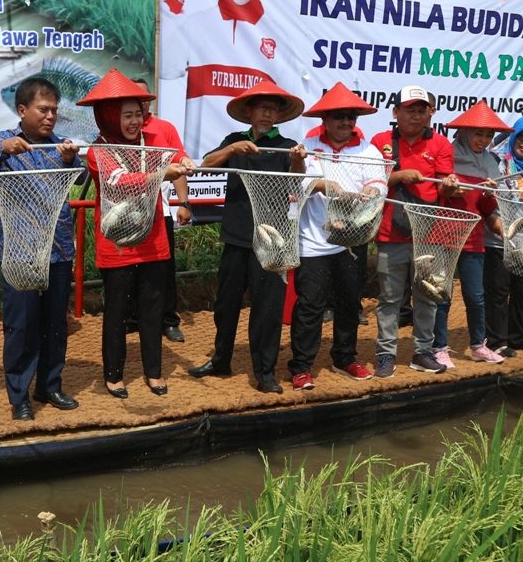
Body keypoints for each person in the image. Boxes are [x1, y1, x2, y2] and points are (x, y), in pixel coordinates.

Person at [0, 77, 82, 421]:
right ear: (22, 110)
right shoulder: (1, 142)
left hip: (58, 250)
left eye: (54, 111)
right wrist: (1, 151)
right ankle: (20, 396)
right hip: (19, 253)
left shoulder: (61, 145)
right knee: (21, 326)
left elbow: (81, 178)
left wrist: (73, 160)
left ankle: (50, 385)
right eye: (43, 110)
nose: (50, 117)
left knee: (55, 324)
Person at [77, 69, 193, 398]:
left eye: (137, 115)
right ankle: (114, 375)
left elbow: (176, 154)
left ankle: (153, 372)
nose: (133, 122)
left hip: (153, 236)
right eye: (125, 115)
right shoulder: (98, 151)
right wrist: (161, 174)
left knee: (153, 306)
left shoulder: (153, 141)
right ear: (109, 116)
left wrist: (183, 161)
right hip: (117, 242)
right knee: (116, 308)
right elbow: (119, 182)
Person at [188, 80, 307, 394]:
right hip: (236, 236)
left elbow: (298, 181)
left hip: (272, 242)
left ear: (279, 115)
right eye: (261, 107)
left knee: (267, 309)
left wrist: (298, 161)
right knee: (225, 305)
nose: (267, 113)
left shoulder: (287, 146)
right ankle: (221, 359)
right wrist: (231, 150)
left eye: (273, 109)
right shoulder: (233, 141)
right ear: (250, 112)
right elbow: (204, 167)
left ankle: (264, 372)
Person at [159, 0, 311, 157]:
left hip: (257, 170)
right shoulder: (197, 23)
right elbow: (166, 68)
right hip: (204, 168)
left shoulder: (279, 37)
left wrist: (281, 162)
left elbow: (292, 117)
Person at [287, 82, 381, 390]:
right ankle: (301, 367)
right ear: (325, 119)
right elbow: (295, 185)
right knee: (310, 305)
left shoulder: (368, 150)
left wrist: (372, 190)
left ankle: (345, 358)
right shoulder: (309, 144)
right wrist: (320, 184)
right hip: (313, 242)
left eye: (351, 116)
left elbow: (380, 185)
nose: (345, 122)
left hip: (352, 242)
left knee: (349, 303)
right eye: (339, 116)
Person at [369, 85, 455, 378]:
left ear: (429, 113)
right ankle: (385, 354)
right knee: (390, 298)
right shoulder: (380, 141)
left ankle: (422, 352)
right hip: (389, 236)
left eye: (421, 110)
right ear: (396, 112)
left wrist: (450, 185)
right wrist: (398, 176)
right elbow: (369, 183)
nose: (416, 116)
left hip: (430, 237)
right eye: (409, 110)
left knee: (427, 297)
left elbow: (446, 187)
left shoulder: (441, 144)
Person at [433, 101, 508, 367]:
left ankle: (478, 345)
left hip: (474, 238)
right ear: (464, 132)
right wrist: (450, 189)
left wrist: (489, 196)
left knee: (476, 296)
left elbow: (487, 208)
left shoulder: (490, 163)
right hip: (444, 235)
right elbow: (436, 196)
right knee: (442, 295)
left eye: (488, 135)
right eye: (478, 133)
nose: (483, 140)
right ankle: (439, 347)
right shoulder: (448, 155)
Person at [127, 77, 193, 344]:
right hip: (126, 212)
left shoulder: (164, 128)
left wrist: (184, 202)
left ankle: (168, 320)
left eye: (144, 98)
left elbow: (178, 162)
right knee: (129, 266)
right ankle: (130, 320)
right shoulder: (120, 132)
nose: (140, 104)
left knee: (164, 268)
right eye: (133, 99)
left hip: (160, 211)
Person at [483, 116, 523, 357]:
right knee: (498, 290)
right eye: (521, 136)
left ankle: (518, 336)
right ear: (513, 137)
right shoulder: (498, 166)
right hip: (498, 239)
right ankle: (496, 340)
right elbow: (486, 198)